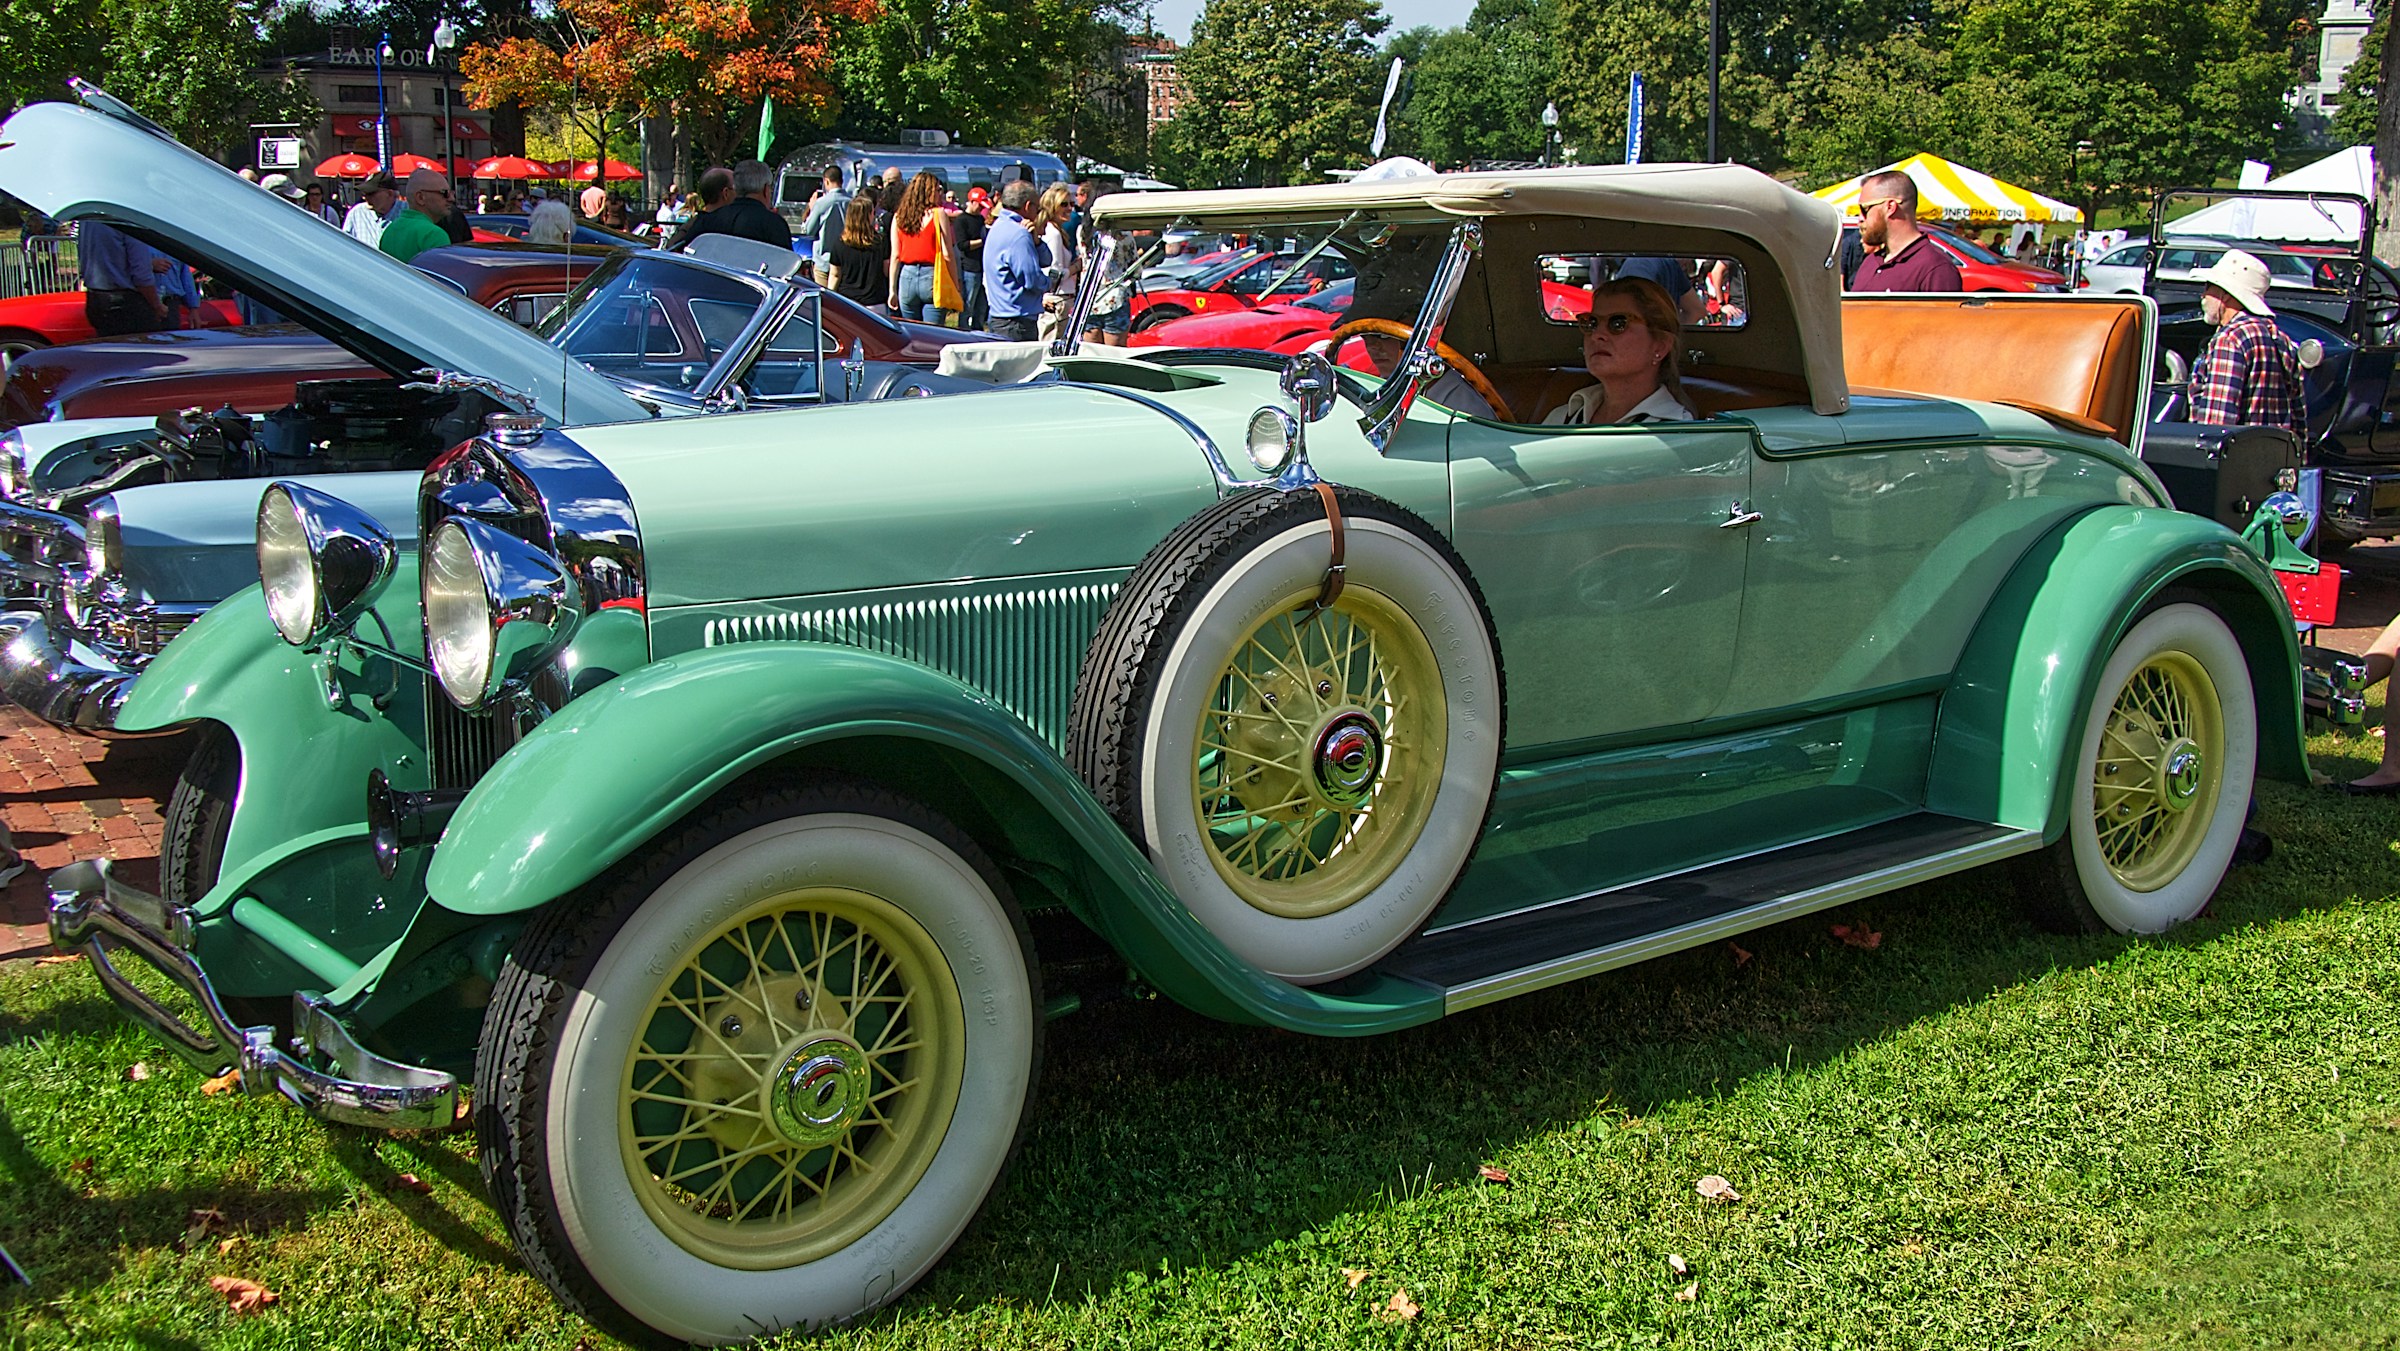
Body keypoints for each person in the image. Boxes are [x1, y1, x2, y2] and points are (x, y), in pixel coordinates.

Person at [1542, 277, 1696, 425]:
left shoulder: (1676, 429)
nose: (1596, 335)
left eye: (1618, 323)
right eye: (1591, 323)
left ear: (1660, 346)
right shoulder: (1562, 418)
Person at [2188, 250, 2304, 443]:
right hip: (2272, 460)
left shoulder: (2230, 340)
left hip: (2237, 464)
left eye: (2208, 287)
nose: (2203, 295)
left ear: (2224, 294)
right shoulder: (2281, 339)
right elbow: (2298, 420)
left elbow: (2216, 425)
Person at [1847, 170, 1962, 292]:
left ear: (1890, 207)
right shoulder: (1870, 262)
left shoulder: (1936, 269)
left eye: (1864, 209)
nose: (1860, 218)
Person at [668, 161, 791, 252]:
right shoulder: (774, 224)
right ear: (766, 190)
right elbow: (786, 267)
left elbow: (678, 251)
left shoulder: (709, 221)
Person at [886, 171, 958, 323]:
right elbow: (947, 254)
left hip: (906, 277)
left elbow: (895, 255)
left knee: (912, 332)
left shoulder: (899, 217)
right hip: (932, 275)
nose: (940, 194)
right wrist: (955, 284)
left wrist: (892, 289)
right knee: (932, 334)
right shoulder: (939, 214)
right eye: (937, 190)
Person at [982, 179, 1049, 341]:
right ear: (1027, 206)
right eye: (1037, 208)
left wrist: (1036, 241)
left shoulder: (998, 226)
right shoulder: (1018, 234)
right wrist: (1050, 282)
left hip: (1000, 316)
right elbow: (1031, 279)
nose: (1038, 213)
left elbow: (1046, 259)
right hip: (1017, 322)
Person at [77, 218, 167, 336]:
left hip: (96, 298)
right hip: (125, 304)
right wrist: (157, 305)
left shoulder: (88, 220)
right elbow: (141, 273)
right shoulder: (125, 220)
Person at [821, 194, 887, 314]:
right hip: (874, 302)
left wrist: (830, 296)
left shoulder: (840, 243)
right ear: (868, 216)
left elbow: (835, 274)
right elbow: (886, 270)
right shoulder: (880, 241)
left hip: (847, 302)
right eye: (872, 212)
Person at [377, 167, 453, 264]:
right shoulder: (433, 234)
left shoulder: (390, 230)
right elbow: (440, 276)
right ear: (420, 197)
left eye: (451, 193)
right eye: (445, 193)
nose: (451, 198)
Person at [798, 165, 852, 281]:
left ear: (826, 181)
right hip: (846, 261)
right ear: (841, 181)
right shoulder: (852, 202)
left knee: (824, 297)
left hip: (824, 261)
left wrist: (811, 209)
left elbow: (809, 231)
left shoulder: (821, 203)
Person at [954, 186, 989, 328]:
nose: (981, 210)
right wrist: (984, 240)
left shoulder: (980, 219)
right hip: (969, 268)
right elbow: (962, 245)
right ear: (972, 202)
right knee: (967, 306)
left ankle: (978, 330)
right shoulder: (961, 220)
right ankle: (963, 330)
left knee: (981, 307)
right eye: (979, 206)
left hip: (982, 268)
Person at [343, 172, 398, 247]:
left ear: (389, 194)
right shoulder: (357, 213)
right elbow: (345, 244)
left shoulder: (409, 211)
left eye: (371, 193)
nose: (365, 197)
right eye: (364, 193)